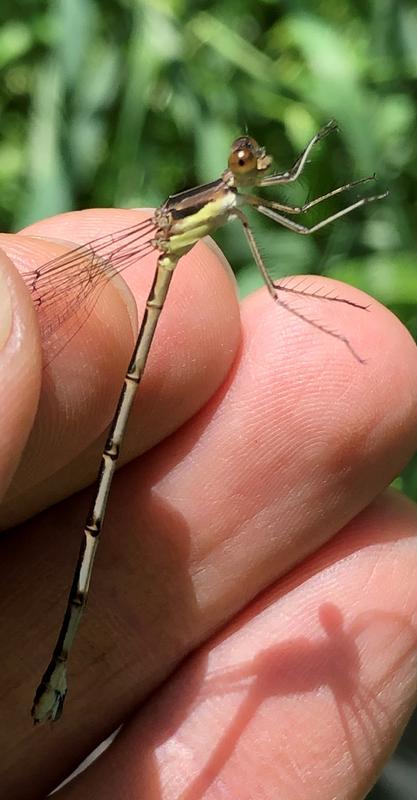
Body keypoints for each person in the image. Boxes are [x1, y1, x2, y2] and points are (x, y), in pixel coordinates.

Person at [1, 208, 417, 799]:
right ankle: (58, 666)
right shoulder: (210, 210)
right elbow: (297, 228)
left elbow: (293, 215)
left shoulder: (230, 200)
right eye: (246, 163)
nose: (255, 169)